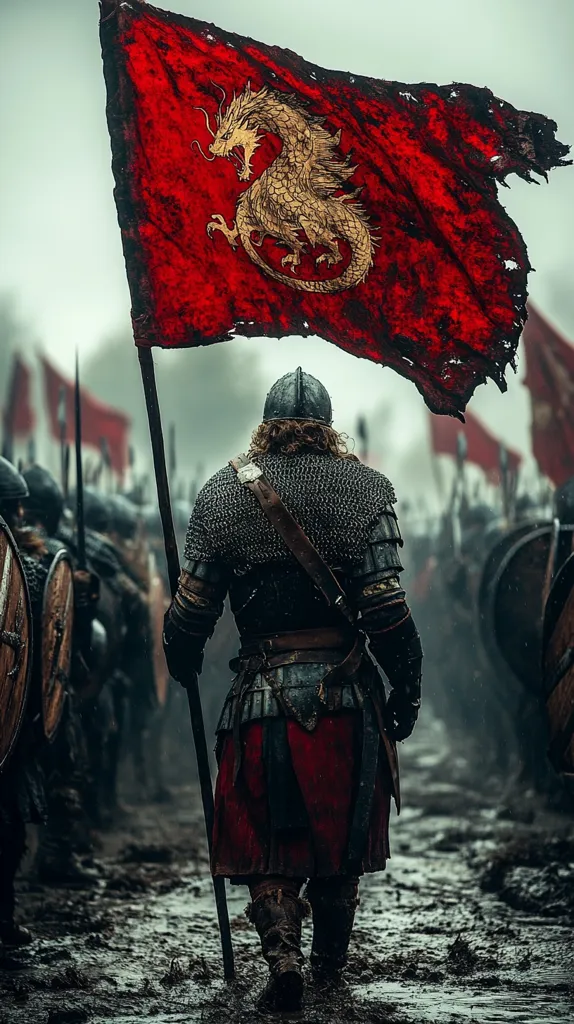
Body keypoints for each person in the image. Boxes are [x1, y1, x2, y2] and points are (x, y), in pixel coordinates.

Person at [163, 369, 422, 1012]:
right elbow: (387, 610)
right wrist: (407, 685)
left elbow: (192, 611)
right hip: (344, 700)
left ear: (266, 424)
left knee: (269, 841)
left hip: (260, 698)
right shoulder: (365, 491)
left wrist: (180, 656)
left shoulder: (224, 494)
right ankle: (330, 975)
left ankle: (282, 949)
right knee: (336, 845)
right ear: (329, 427)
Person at [0, 457, 49, 945]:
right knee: (6, 820)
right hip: (9, 726)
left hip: (7, 714)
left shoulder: (27, 576)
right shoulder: (28, 573)